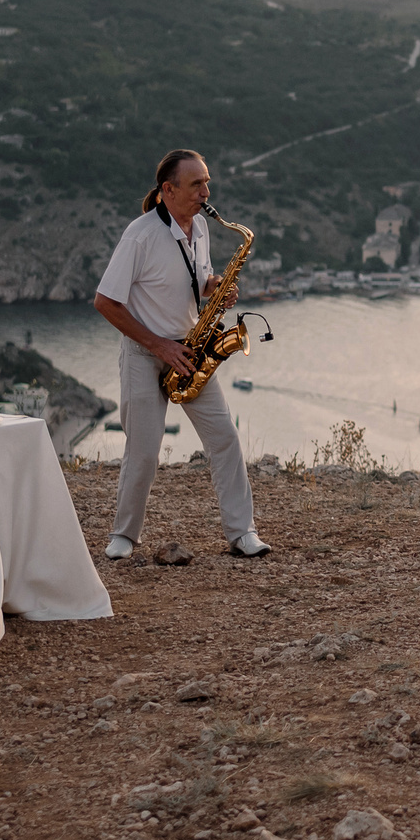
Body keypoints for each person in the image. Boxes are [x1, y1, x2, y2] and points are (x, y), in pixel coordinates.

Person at [92, 149, 269, 562]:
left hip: (190, 351)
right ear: (168, 190)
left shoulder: (201, 227)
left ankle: (243, 533)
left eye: (206, 183)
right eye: (196, 185)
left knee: (225, 439)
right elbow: (105, 302)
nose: (205, 193)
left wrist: (214, 287)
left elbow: (197, 279)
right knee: (144, 450)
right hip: (146, 352)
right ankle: (124, 534)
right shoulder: (140, 235)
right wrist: (159, 345)